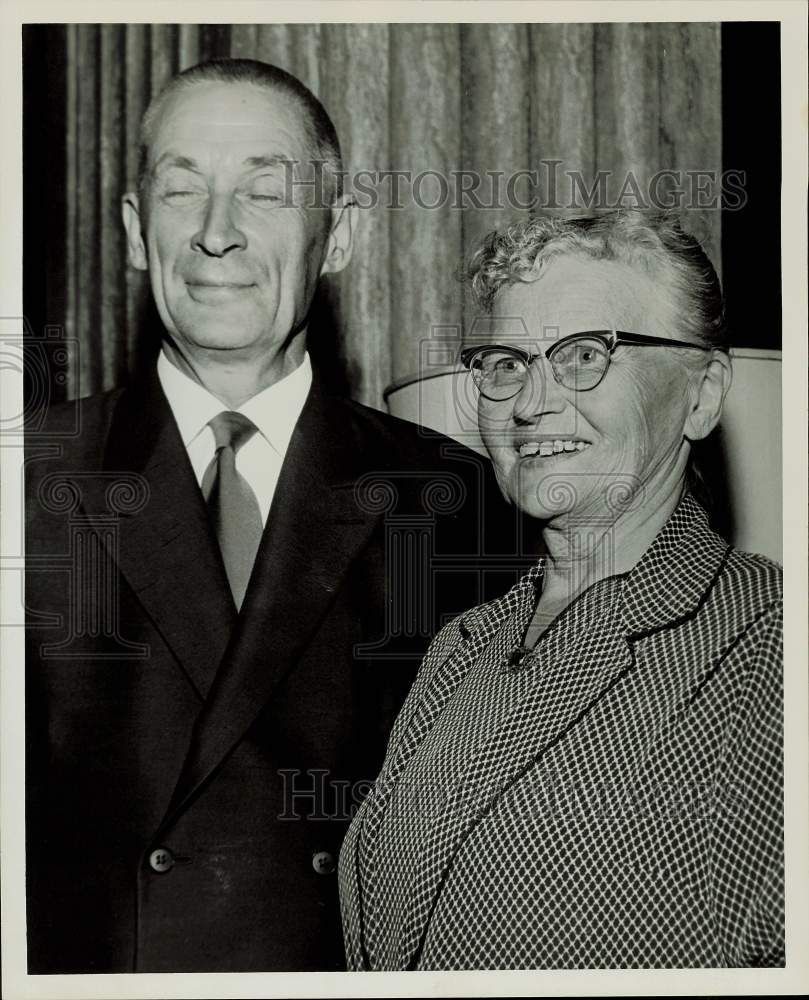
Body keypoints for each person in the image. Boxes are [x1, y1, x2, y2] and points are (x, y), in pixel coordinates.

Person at [24, 58, 518, 973]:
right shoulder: (21, 482)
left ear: (340, 236)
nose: (217, 234)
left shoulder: (459, 506)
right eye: (181, 191)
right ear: (136, 233)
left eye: (264, 192)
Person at [339, 211, 784, 970]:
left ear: (702, 394)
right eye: (505, 362)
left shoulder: (768, 647)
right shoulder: (462, 646)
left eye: (583, 354)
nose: (528, 403)